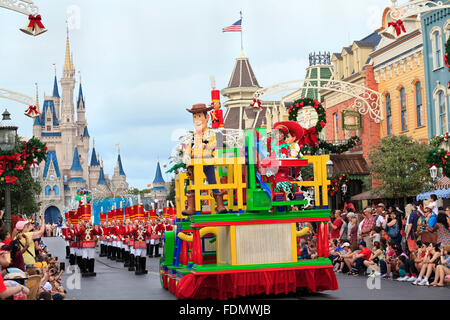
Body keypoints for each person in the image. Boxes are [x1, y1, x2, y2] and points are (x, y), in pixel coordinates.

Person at [182, 103, 227, 215]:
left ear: (207, 118)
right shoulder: (193, 135)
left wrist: (207, 146)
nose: (197, 119)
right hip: (195, 163)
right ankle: (192, 207)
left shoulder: (211, 132)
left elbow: (215, 143)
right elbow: (189, 147)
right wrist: (186, 155)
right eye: (195, 117)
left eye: (199, 116)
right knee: (193, 183)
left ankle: (219, 205)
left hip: (207, 160)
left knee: (212, 181)